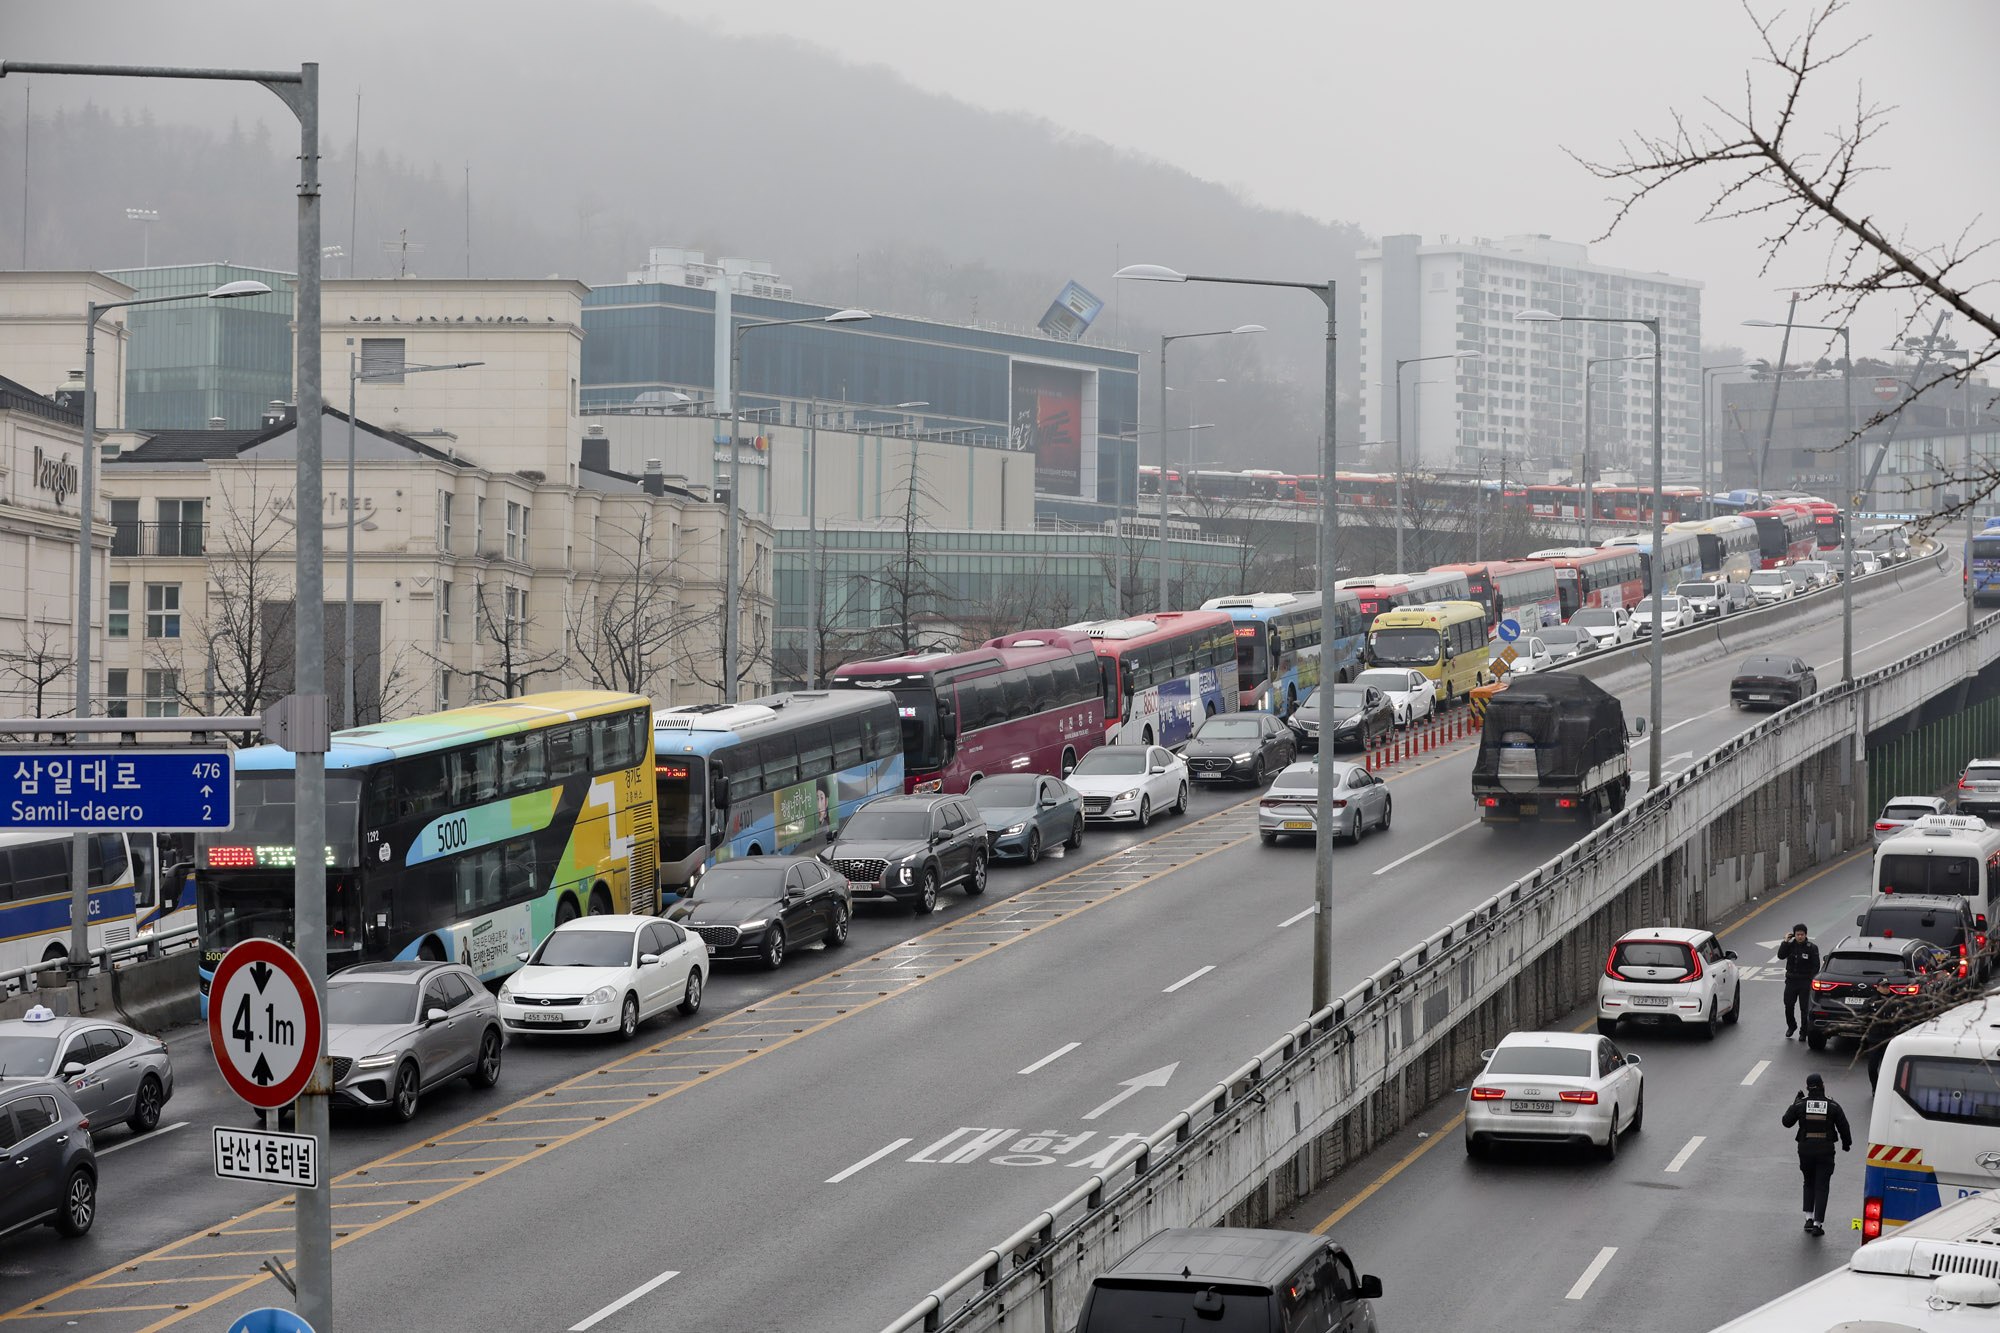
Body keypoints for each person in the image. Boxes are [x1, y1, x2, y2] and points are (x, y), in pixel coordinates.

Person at [1781, 1072, 1851, 1235]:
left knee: (1809, 1181)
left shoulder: (1800, 1105)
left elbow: (1786, 1122)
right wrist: (1846, 1144)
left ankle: (1808, 1218)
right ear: (1823, 1086)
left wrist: (1795, 1102)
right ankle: (1818, 1225)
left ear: (1807, 1088)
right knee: (1822, 1185)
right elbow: (1844, 1127)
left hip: (1805, 1149)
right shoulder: (1833, 1106)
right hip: (1825, 1150)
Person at [1776, 923, 1820, 1038]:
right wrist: (1785, 942)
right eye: (1797, 934)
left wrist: (1811, 980)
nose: (1800, 937)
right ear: (1794, 935)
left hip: (1805, 982)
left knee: (1804, 1009)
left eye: (1802, 934)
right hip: (1791, 981)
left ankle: (1803, 1031)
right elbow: (1780, 956)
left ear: (1805, 935)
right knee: (1788, 1005)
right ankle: (1792, 1026)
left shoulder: (1811, 948)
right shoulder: (1790, 946)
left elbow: (1816, 966)